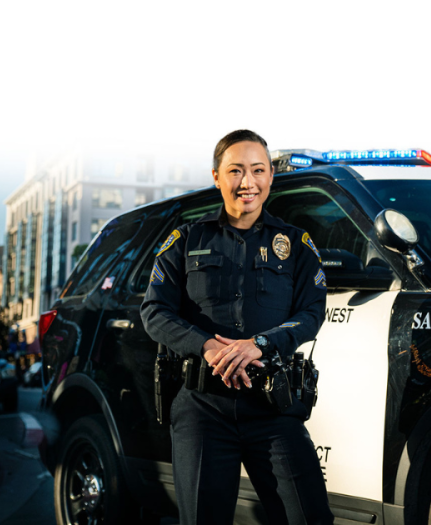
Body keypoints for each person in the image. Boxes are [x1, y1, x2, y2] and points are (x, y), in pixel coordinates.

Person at [140, 129, 334, 524]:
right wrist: (207, 346)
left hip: (273, 407)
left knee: (310, 517)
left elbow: (312, 312)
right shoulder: (185, 239)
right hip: (202, 407)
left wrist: (259, 344)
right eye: (236, 171)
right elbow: (155, 312)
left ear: (270, 178)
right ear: (216, 177)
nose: (248, 182)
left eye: (258, 170)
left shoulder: (295, 243)